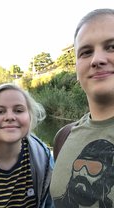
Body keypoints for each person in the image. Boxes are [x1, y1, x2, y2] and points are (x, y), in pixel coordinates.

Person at [50, 8, 114, 207]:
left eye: (111, 47)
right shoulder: (64, 137)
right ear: (77, 68)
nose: (97, 60)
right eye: (86, 52)